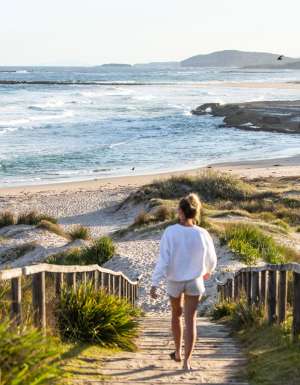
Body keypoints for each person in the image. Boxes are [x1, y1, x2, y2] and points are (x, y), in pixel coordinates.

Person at [150, 193, 217, 371]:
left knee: (176, 315)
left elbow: (164, 260)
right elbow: (212, 259)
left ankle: (178, 352)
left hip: (174, 281)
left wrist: (155, 282)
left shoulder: (170, 232)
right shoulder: (202, 233)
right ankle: (187, 362)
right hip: (195, 280)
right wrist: (208, 271)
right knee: (191, 320)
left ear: (181, 212)